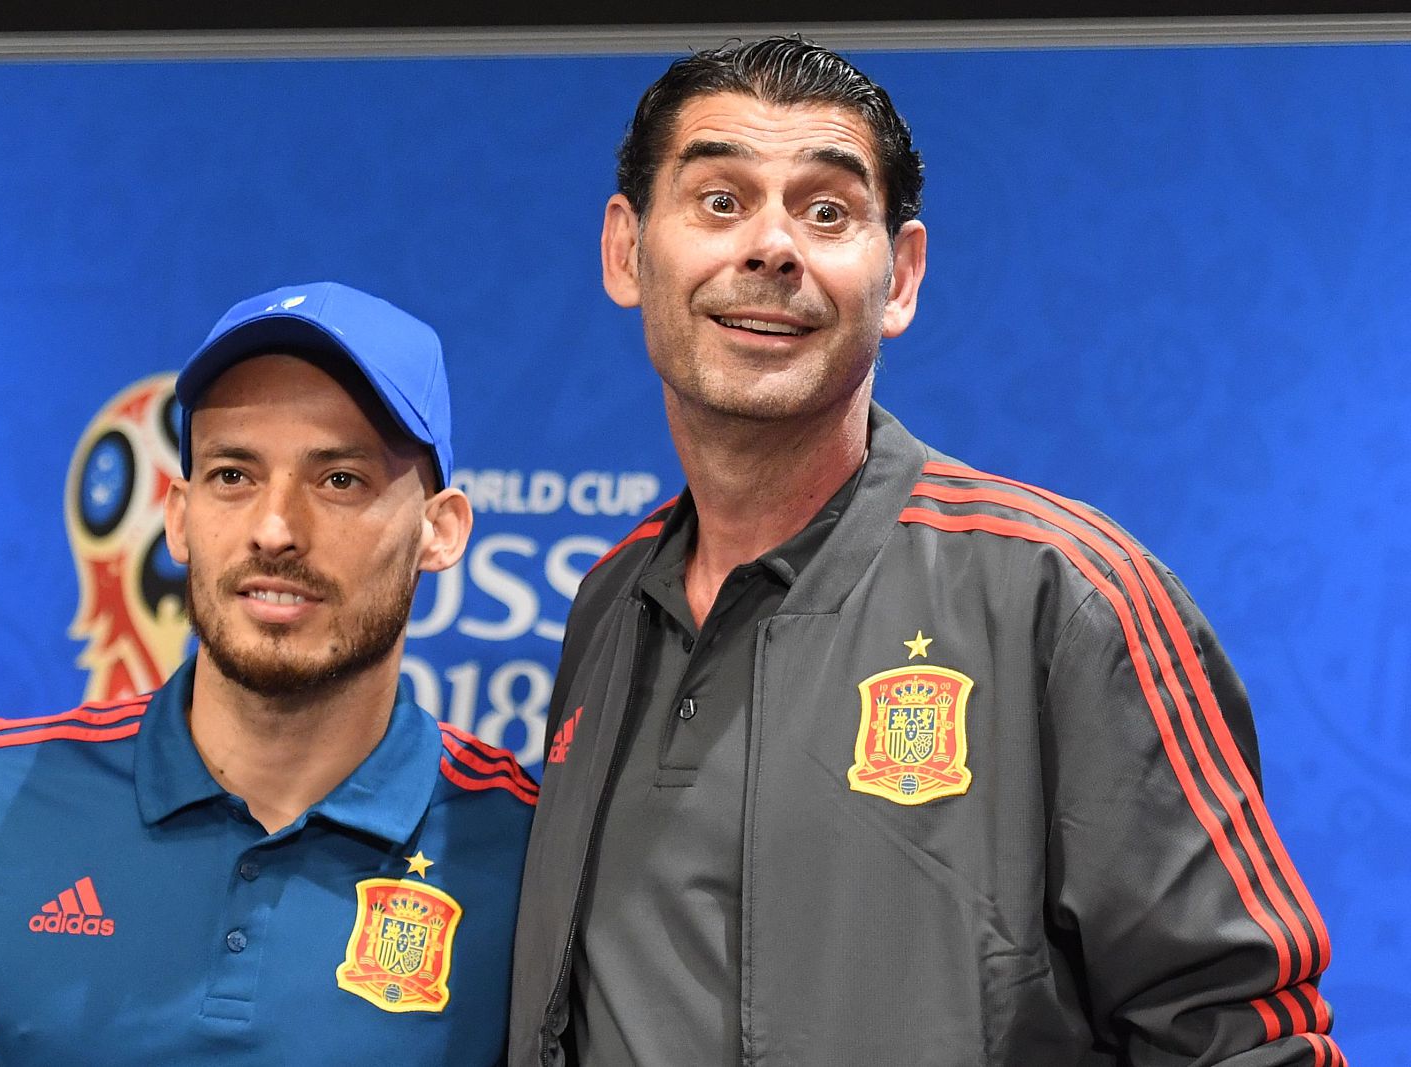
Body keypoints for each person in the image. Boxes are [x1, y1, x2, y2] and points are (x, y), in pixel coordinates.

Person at [509, 37, 1340, 1067]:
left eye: (826, 211)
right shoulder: (609, 602)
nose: (771, 248)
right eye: (719, 200)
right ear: (626, 251)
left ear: (898, 277)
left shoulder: (1069, 593)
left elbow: (1240, 1037)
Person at [0, 281, 537, 1066]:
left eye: (340, 479)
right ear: (178, 516)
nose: (275, 530)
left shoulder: (532, 848)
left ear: (440, 531)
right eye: (234, 475)